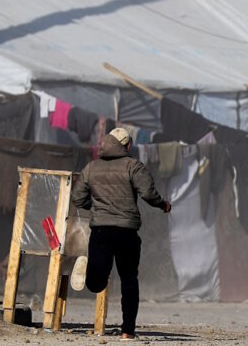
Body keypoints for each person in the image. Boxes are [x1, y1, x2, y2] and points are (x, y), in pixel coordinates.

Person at [71, 127, 171, 340]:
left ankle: (89, 272)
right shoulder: (133, 166)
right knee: (128, 280)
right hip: (126, 232)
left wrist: (98, 207)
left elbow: (78, 199)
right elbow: (148, 193)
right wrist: (163, 204)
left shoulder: (91, 168)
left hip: (101, 231)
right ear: (126, 146)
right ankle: (127, 332)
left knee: (97, 282)